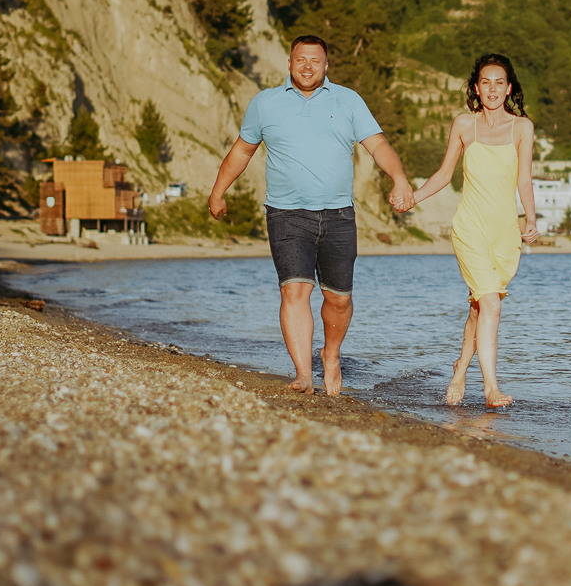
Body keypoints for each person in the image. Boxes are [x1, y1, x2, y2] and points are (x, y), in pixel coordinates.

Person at [207, 35, 415, 395]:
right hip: (286, 214)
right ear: (289, 63)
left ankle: (330, 354)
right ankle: (303, 373)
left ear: (326, 66)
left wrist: (399, 178)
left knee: (339, 299)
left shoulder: (348, 100)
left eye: (315, 60)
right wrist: (217, 191)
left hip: (338, 215)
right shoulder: (265, 103)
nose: (307, 66)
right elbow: (242, 151)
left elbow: (378, 144)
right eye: (300, 59)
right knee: (295, 290)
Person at [407, 53, 538, 408]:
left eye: (499, 83)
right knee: (491, 303)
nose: (492, 89)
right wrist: (414, 197)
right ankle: (491, 388)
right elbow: (444, 174)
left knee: (481, 308)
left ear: (508, 88)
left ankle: (460, 368)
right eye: (485, 83)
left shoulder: (522, 128)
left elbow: (524, 179)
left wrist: (530, 218)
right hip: (470, 227)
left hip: (504, 233)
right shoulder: (465, 124)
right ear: (476, 88)